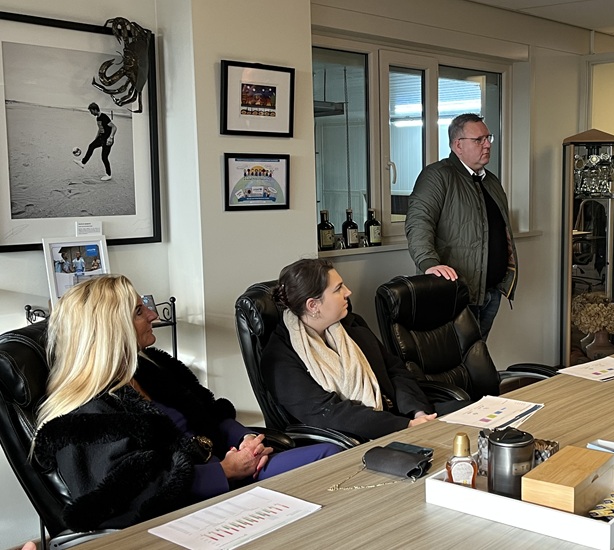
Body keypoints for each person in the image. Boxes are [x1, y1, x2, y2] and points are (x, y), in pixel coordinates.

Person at [32, 275, 340, 532]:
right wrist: (227, 471)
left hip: (229, 474)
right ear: (113, 328)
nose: (153, 315)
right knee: (328, 466)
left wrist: (245, 439)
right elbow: (133, 497)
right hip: (190, 510)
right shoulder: (85, 417)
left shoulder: (150, 368)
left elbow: (210, 413)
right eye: (140, 311)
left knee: (333, 459)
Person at [262, 258, 463, 441]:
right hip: (359, 436)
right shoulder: (280, 357)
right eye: (338, 288)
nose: (348, 292)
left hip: (400, 413)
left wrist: (417, 412)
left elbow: (395, 371)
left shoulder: (351, 324)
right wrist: (405, 426)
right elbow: (328, 413)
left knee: (472, 414)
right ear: (313, 305)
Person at [405, 113, 517, 340]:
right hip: (454, 293)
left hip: (490, 291)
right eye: (479, 140)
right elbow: (418, 222)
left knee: (478, 358)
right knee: (454, 361)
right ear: (458, 145)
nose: (487, 145)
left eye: (488, 138)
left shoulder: (491, 181)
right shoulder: (437, 176)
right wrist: (428, 263)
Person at [72, 102, 117, 181]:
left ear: (95, 109)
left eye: (91, 111)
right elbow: (100, 129)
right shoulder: (98, 118)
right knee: (91, 146)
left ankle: (108, 175)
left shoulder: (104, 117)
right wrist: (95, 139)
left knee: (104, 157)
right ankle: (83, 163)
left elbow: (114, 127)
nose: (91, 113)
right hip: (101, 138)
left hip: (107, 140)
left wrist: (111, 137)